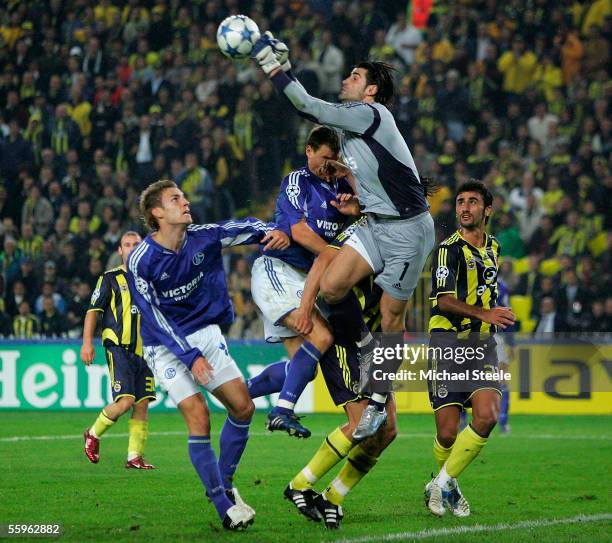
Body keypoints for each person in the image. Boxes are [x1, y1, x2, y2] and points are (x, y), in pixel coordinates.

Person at [252, 34, 436, 440]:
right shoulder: (354, 133)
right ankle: (359, 346)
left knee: (392, 317)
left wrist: (274, 68)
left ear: (370, 90)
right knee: (332, 287)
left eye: (354, 76)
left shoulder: (370, 114)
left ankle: (376, 398)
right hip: (376, 223)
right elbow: (378, 174)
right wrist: (354, 190)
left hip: (408, 232)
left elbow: (307, 106)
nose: (347, 80)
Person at [126, 179, 289, 531]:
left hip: (204, 333)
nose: (185, 202)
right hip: (164, 345)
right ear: (157, 213)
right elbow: (153, 316)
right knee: (199, 416)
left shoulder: (203, 236)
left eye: (183, 196)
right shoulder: (141, 260)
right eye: (175, 199)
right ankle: (222, 505)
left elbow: (244, 227)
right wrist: (189, 357)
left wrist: (272, 232)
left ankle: (226, 483)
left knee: (243, 407)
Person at [283, 216, 397, 529]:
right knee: (361, 423)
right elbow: (324, 262)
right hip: (345, 339)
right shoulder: (364, 227)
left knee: (385, 431)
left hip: (375, 341)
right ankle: (300, 485)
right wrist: (306, 308)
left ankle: (333, 497)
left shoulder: (408, 241)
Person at [250, 125, 354, 438]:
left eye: (334, 159)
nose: (328, 165)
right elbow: (298, 231)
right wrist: (337, 258)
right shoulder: (298, 181)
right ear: (309, 150)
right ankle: (282, 411)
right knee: (321, 337)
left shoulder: (341, 188)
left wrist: (351, 188)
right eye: (324, 157)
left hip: (302, 280)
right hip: (279, 271)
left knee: (302, 368)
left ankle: (236, 395)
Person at [425, 180, 516, 517]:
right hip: (448, 343)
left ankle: (440, 482)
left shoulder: (494, 247)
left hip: (483, 344)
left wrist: (494, 321)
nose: (464, 207)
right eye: (461, 201)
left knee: (488, 415)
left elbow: (486, 294)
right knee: (447, 432)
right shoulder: (447, 250)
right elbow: (444, 301)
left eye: (473, 202)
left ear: (487, 210)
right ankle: (449, 483)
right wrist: (486, 313)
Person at [81, 231, 157, 469]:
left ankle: (134, 457)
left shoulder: (152, 279)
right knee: (125, 401)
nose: (132, 248)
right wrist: (87, 343)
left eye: (137, 244)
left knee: (142, 403)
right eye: (127, 245)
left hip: (146, 351)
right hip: (119, 347)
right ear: (120, 250)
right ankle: (93, 434)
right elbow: (93, 311)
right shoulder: (110, 278)